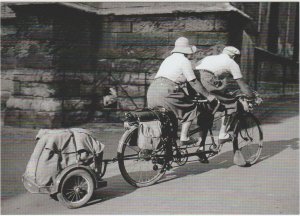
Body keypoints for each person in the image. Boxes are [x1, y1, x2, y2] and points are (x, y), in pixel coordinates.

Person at [147, 37, 217, 146]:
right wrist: (208, 96)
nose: (192, 55)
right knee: (190, 108)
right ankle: (184, 137)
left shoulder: (168, 59)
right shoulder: (184, 61)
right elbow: (193, 82)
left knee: (165, 118)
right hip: (167, 90)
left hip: (152, 90)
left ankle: (164, 147)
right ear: (186, 51)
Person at [195, 46, 254, 150]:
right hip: (208, 79)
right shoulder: (232, 63)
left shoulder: (210, 58)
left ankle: (201, 147)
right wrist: (251, 96)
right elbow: (241, 83)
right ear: (234, 56)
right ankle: (222, 135)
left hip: (196, 82)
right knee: (232, 103)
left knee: (206, 111)